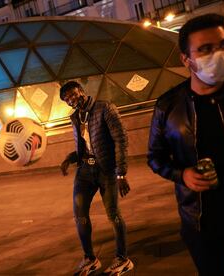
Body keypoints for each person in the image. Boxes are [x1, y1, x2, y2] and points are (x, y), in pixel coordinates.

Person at [147, 14, 224, 276]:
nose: (218, 54)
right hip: (200, 219)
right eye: (205, 49)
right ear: (185, 59)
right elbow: (155, 157)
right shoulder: (168, 106)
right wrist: (182, 174)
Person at [59, 81, 133, 276]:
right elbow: (85, 147)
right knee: (80, 215)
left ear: (82, 91)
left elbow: (121, 139)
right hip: (85, 171)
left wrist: (121, 173)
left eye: (73, 94)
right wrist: (70, 158)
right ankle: (90, 258)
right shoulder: (75, 117)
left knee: (114, 215)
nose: (71, 99)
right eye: (67, 99)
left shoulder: (104, 108)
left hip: (107, 170)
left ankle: (123, 259)